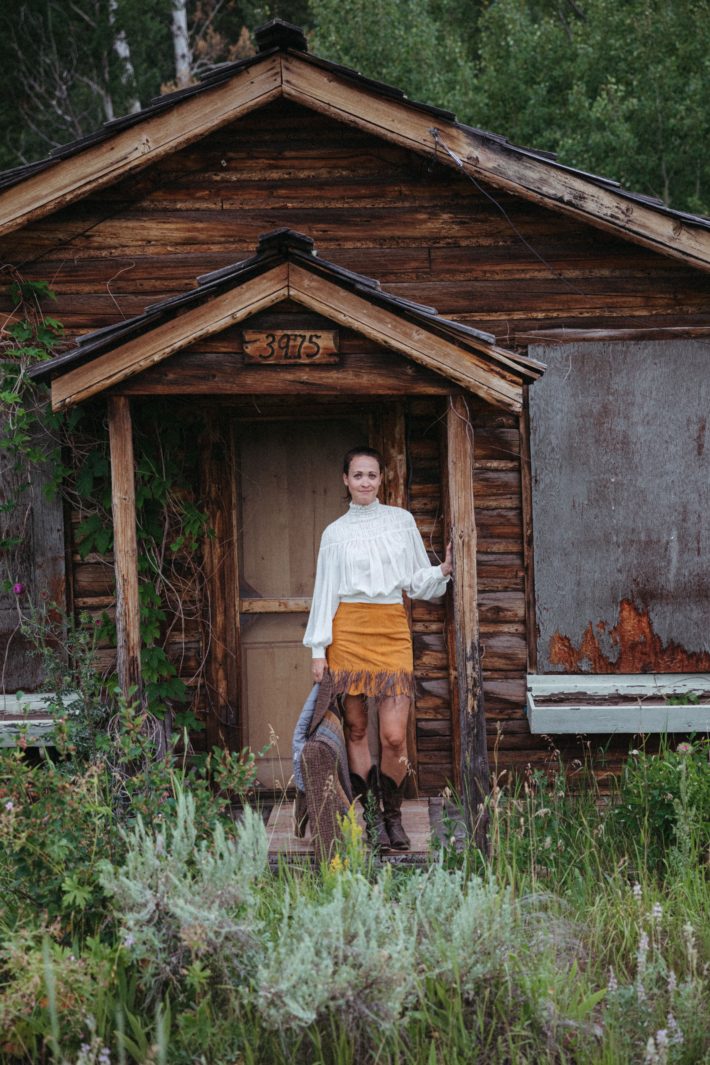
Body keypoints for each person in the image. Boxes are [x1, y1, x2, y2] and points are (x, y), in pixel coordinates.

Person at [303, 445, 453, 850]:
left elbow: (417, 579)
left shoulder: (400, 521)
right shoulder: (334, 533)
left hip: (390, 629)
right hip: (348, 632)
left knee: (393, 737)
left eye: (372, 475)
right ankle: (371, 820)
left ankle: (393, 816)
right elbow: (324, 592)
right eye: (358, 475)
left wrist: (442, 571)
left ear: (381, 479)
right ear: (345, 480)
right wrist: (319, 648)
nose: (365, 482)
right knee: (356, 728)